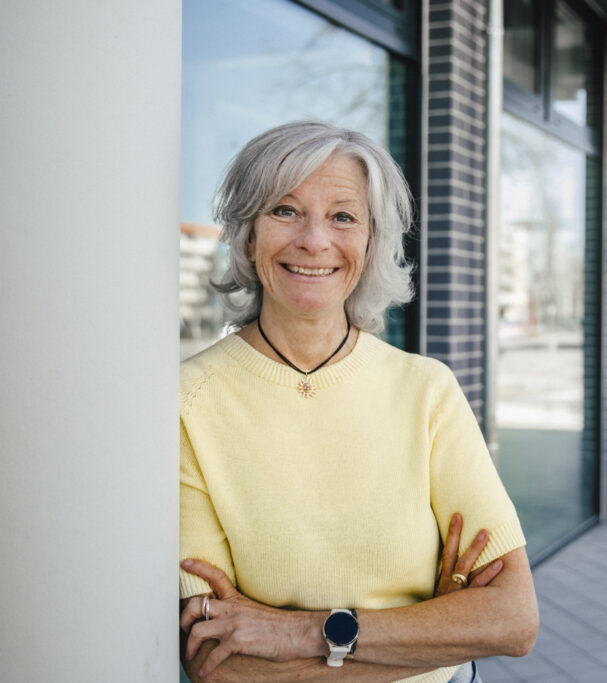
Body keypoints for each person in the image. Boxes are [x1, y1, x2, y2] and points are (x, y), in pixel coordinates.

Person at [178, 122, 538, 682]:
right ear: (247, 234)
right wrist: (427, 634)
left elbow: (512, 620)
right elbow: (220, 664)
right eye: (284, 210)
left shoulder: (427, 390)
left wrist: (295, 631)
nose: (315, 241)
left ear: (371, 244)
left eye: (343, 217)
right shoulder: (187, 401)